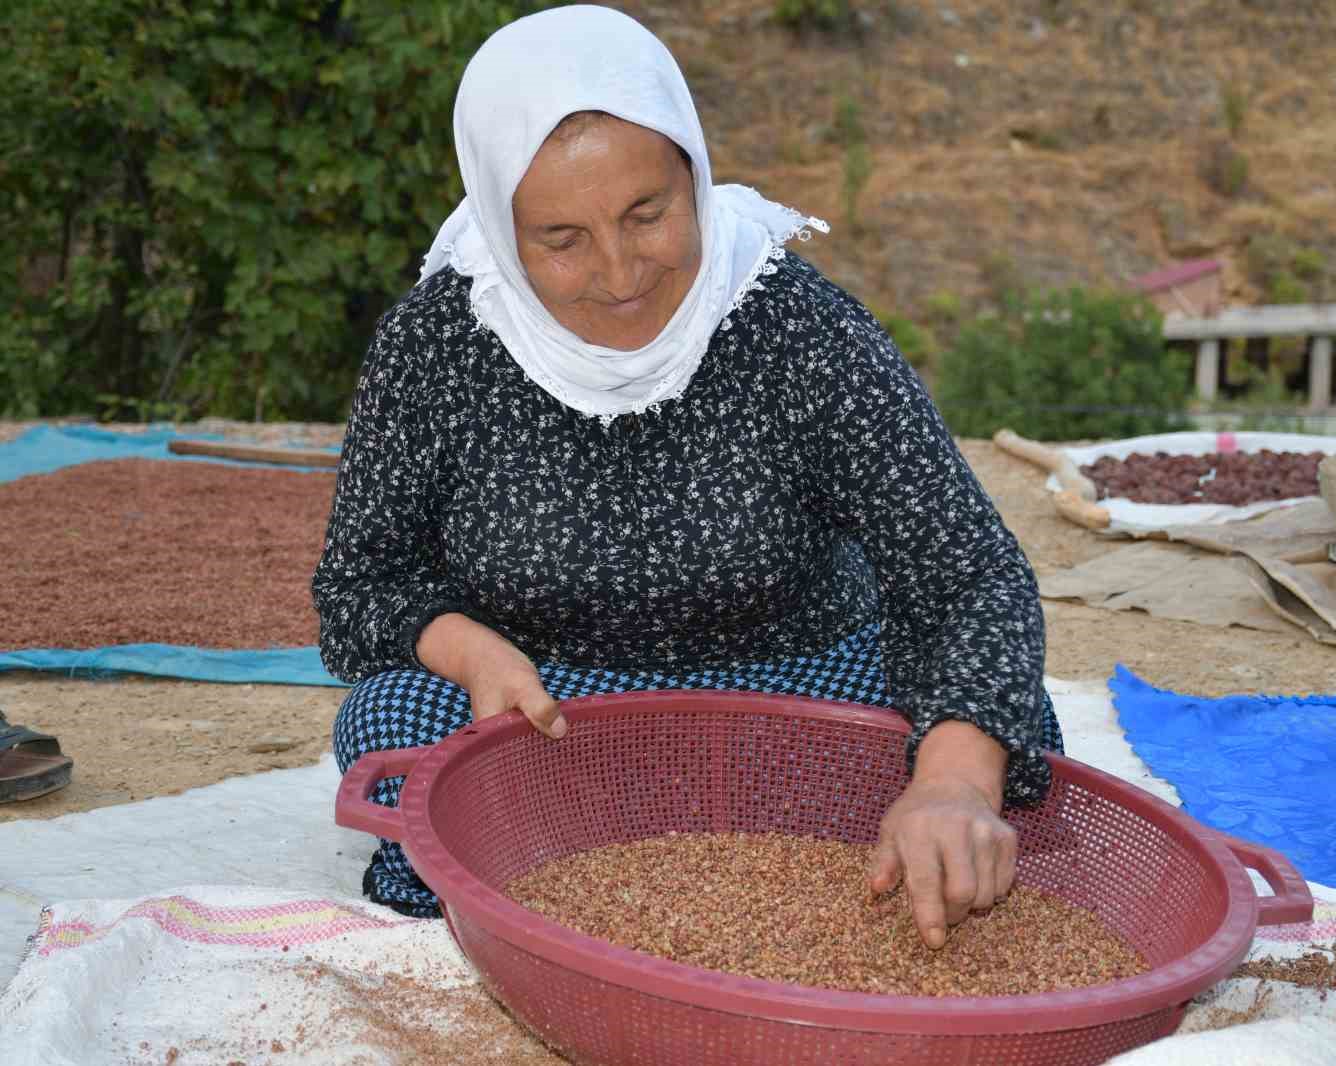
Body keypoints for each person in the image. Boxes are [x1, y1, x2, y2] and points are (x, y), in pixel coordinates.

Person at [313, 4, 1062, 950]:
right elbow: (359, 588)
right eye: (560, 238)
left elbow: (969, 575)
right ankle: (756, 834)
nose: (621, 273)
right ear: (503, 228)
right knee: (392, 718)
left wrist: (953, 778)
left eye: (648, 214)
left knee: (1003, 723)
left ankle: (576, 847)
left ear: (696, 178)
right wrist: (478, 657)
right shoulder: (437, 347)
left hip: (798, 688)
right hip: (556, 708)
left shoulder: (798, 331)